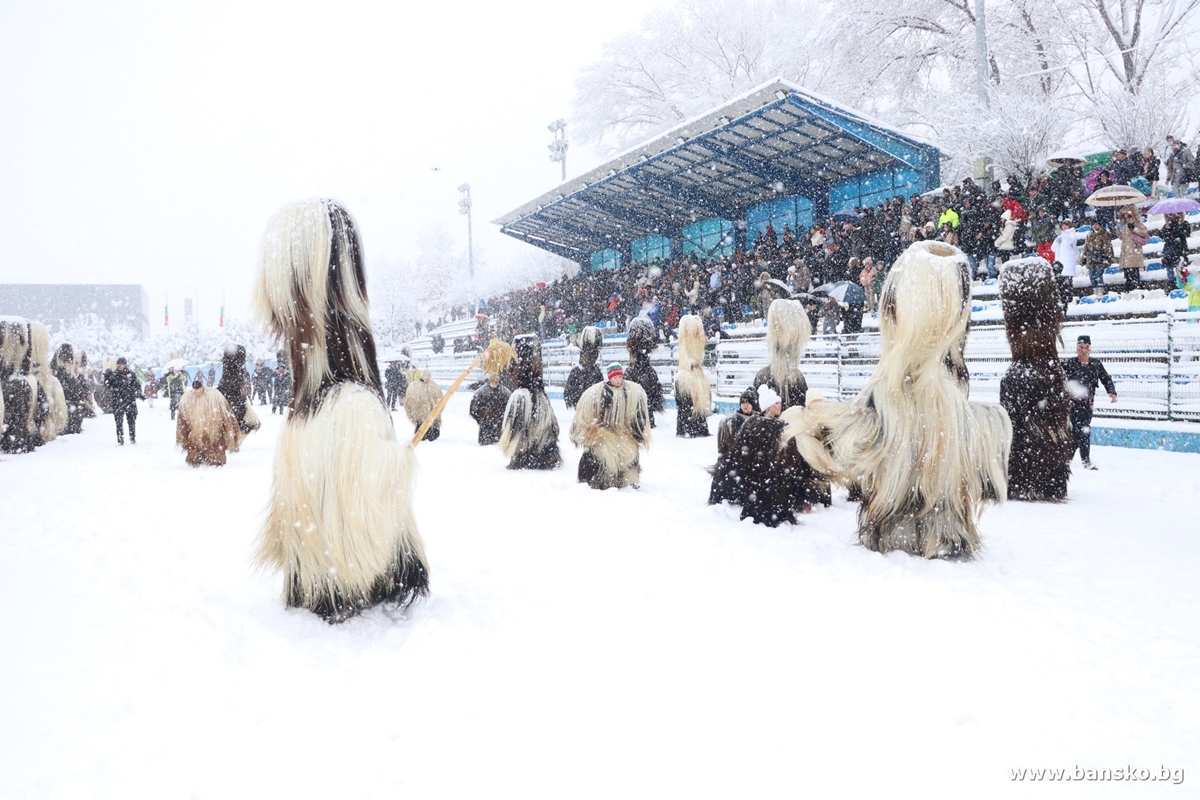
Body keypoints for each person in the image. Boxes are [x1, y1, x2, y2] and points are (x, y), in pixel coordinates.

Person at [252, 198, 429, 622]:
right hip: (343, 585)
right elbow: (373, 497)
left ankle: (326, 576)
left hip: (326, 584)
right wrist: (398, 462)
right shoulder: (348, 407)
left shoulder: (315, 415)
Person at [1000, 259, 1073, 501]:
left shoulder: (1015, 376)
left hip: (1032, 372)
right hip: (1044, 371)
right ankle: (1046, 480)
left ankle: (1024, 480)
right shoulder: (1049, 371)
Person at [570, 362, 650, 489]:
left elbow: (639, 417)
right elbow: (586, 420)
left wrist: (636, 434)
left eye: (620, 377)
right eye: (615, 378)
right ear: (609, 378)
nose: (618, 380)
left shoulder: (631, 392)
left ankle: (625, 480)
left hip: (623, 434)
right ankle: (600, 480)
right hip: (604, 434)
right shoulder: (598, 394)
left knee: (629, 451)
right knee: (600, 451)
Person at [1062, 335, 1117, 470]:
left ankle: (1067, 460)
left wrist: (1112, 392)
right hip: (1073, 405)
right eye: (1081, 347)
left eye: (1087, 347)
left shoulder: (1096, 364)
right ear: (1076, 349)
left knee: (1079, 433)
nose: (1084, 350)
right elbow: (1056, 378)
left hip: (1088, 406)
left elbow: (1106, 378)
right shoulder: (1069, 364)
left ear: (1090, 349)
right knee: (1083, 431)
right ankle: (1084, 461)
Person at [707, 386, 759, 506]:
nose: (745, 405)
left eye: (748, 402)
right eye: (743, 402)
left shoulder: (757, 418)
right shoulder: (734, 420)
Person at [176, 380, 241, 467]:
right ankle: (198, 458)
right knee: (194, 449)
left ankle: (213, 458)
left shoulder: (213, 395)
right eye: (195, 391)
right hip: (195, 427)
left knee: (214, 447)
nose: (198, 393)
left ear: (202, 388)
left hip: (212, 426)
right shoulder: (187, 398)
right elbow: (182, 415)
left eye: (199, 391)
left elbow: (225, 410)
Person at [103, 357, 142, 445]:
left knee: (131, 420)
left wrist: (137, 392)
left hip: (130, 401)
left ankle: (132, 437)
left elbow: (137, 386)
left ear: (125, 365)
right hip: (118, 401)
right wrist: (106, 376)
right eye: (117, 364)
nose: (118, 366)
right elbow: (107, 386)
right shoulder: (114, 375)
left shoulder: (131, 374)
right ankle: (120, 439)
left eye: (120, 364)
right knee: (118, 422)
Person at [469, 369, 511, 446]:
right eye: (492, 382)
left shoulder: (504, 391)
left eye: (495, 382)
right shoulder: (482, 391)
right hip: (486, 418)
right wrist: (482, 413)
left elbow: (509, 405)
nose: (494, 384)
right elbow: (474, 406)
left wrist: (501, 414)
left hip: (498, 417)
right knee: (485, 433)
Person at [1115, 205, 1149, 290]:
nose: (1126, 215)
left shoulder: (1136, 223)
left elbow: (1144, 232)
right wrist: (1116, 230)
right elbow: (1123, 238)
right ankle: (1129, 290)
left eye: (1127, 213)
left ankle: (1136, 290)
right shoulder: (1124, 225)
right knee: (1127, 276)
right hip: (1126, 253)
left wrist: (1134, 228)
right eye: (1124, 214)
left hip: (1134, 252)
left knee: (1134, 274)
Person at [1051, 220, 1079, 311]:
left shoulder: (1072, 234)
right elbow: (1053, 248)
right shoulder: (1061, 236)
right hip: (1059, 265)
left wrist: (1062, 235)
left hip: (1067, 264)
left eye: (1066, 225)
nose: (1064, 227)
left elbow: (1071, 241)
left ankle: (1067, 301)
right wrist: (1057, 241)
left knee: (1067, 285)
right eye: (1063, 225)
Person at [1082, 224, 1114, 296]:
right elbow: (1086, 246)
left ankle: (1100, 292)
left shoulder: (1105, 233)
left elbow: (1107, 245)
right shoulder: (1089, 235)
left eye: (1096, 224)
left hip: (1101, 258)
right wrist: (1084, 257)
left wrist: (1106, 256)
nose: (1094, 226)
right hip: (1091, 258)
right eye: (1093, 225)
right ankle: (1095, 292)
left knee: (1098, 275)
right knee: (1092, 276)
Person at [1159, 212, 1190, 285]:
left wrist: (1177, 227)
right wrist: (1166, 230)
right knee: (1169, 268)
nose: (1174, 215)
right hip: (1169, 250)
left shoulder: (1184, 223)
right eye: (1171, 214)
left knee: (1180, 268)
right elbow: (1162, 236)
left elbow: (1186, 233)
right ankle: (1171, 283)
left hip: (1180, 248)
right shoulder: (1167, 225)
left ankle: (1182, 283)